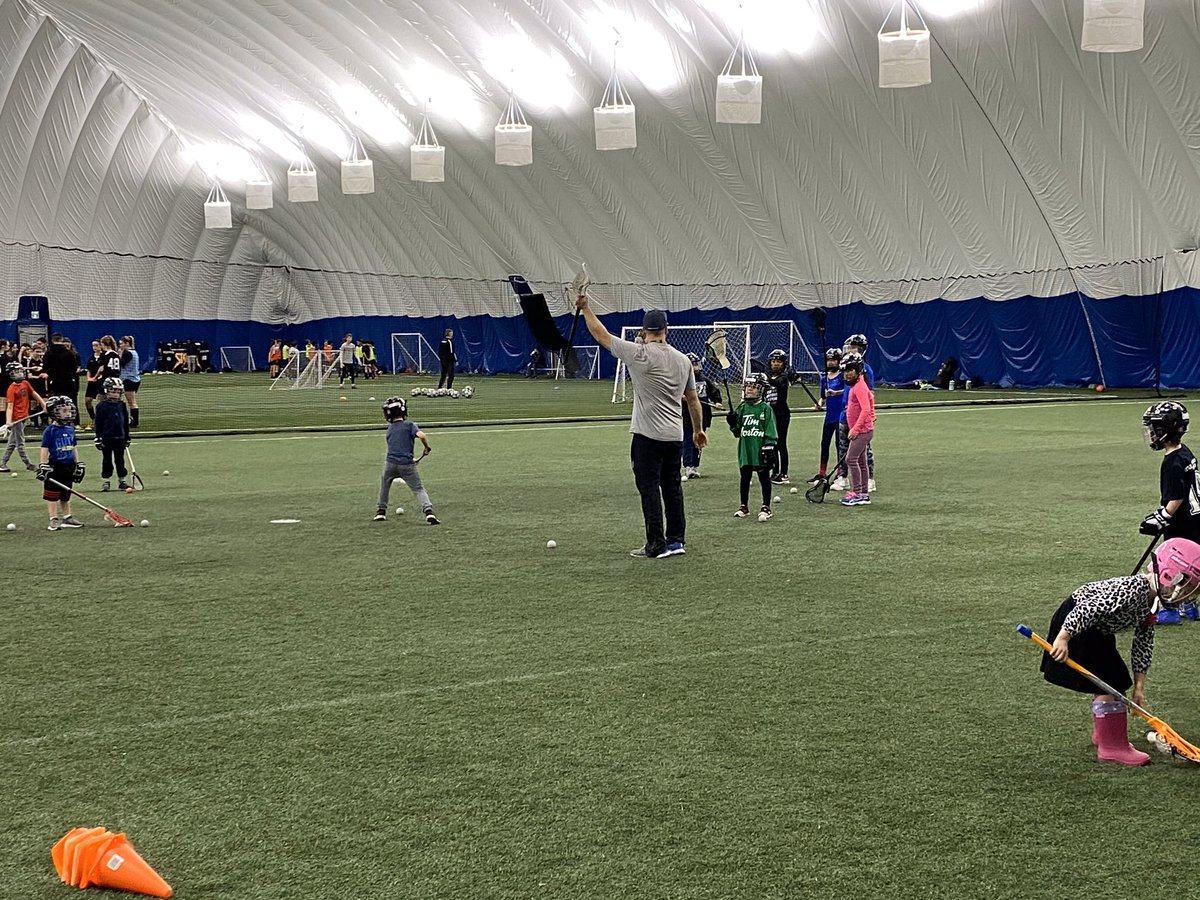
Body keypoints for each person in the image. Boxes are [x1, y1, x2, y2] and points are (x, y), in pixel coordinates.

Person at [1038, 538, 1200, 766]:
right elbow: (1086, 608)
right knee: (1109, 681)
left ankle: (1104, 734)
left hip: (1097, 630)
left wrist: (1139, 686)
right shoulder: (1133, 590)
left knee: (1114, 679)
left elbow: (1143, 643)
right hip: (1078, 625)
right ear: (1170, 576)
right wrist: (1064, 638)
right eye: (1189, 587)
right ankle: (1111, 746)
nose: (1190, 594)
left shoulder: (1151, 602)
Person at [577, 297, 705, 558]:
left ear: (645, 332)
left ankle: (655, 544)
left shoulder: (639, 354)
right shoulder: (683, 361)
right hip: (674, 435)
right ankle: (676, 540)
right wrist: (698, 430)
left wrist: (586, 308)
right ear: (666, 330)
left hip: (647, 436)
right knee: (672, 488)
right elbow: (693, 399)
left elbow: (601, 335)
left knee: (649, 488)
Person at [1138, 402, 1200, 544]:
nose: (1150, 433)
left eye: (1153, 429)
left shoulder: (1172, 463)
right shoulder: (1184, 452)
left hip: (1183, 527)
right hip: (1195, 519)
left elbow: (1177, 496)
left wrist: (1163, 516)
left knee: (1180, 563)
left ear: (1163, 430)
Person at [373, 396, 440, 525]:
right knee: (418, 489)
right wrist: (426, 447)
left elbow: (397, 447)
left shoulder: (390, 429)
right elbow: (421, 435)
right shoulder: (410, 425)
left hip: (390, 464)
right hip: (407, 465)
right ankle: (429, 512)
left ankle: (381, 512)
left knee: (385, 485)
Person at [725, 373, 778, 521]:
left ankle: (766, 506)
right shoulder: (742, 408)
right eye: (747, 386)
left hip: (760, 448)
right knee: (745, 477)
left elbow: (771, 430)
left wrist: (769, 446)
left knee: (764, 478)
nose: (749, 390)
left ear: (761, 389)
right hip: (745, 449)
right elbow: (737, 432)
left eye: (753, 387)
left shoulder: (765, 409)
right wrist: (732, 422)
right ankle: (744, 506)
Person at [833, 334, 875, 492]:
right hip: (846, 417)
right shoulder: (848, 376)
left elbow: (869, 397)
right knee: (843, 448)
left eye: (854, 348)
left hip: (860, 423)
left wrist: (871, 414)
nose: (850, 350)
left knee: (859, 455)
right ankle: (843, 477)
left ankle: (865, 484)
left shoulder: (864, 372)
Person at [36, 395, 85, 530]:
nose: (68, 413)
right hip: (54, 467)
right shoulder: (50, 431)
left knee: (66, 493)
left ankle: (67, 517)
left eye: (69, 410)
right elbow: (44, 449)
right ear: (54, 413)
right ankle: (53, 519)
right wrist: (43, 465)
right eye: (64, 411)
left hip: (68, 466)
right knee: (52, 495)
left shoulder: (70, 429)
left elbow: (74, 447)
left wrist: (78, 463)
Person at [839, 352, 874, 507]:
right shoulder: (858, 385)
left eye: (850, 371)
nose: (847, 374)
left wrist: (855, 429)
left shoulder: (859, 387)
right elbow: (870, 402)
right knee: (861, 461)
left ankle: (858, 492)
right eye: (845, 371)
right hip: (863, 429)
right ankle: (864, 494)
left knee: (851, 459)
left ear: (858, 370)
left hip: (861, 431)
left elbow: (866, 409)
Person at [682, 352, 722, 480]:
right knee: (688, 440)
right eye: (691, 365)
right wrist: (680, 396)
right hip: (687, 417)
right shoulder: (681, 381)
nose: (694, 368)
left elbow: (714, 392)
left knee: (699, 440)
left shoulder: (704, 380)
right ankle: (688, 466)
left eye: (695, 365)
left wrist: (717, 402)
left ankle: (695, 466)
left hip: (703, 416)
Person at [808, 348, 846, 484]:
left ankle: (840, 473)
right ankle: (821, 473)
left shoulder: (843, 376)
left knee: (839, 445)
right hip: (829, 416)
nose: (830, 363)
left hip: (840, 416)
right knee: (824, 444)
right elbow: (823, 397)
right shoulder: (825, 379)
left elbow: (847, 392)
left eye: (833, 360)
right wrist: (818, 404)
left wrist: (836, 393)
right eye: (829, 360)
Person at [1, 362, 44, 472]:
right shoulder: (11, 389)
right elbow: (9, 407)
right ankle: (28, 463)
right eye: (17, 372)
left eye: (21, 371)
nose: (20, 373)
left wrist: (44, 405)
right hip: (17, 419)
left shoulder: (25, 383)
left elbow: (34, 394)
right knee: (20, 443)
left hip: (24, 417)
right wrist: (8, 422)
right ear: (11, 374)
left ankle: (2, 463)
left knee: (12, 442)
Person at [764, 348, 799, 484]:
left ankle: (783, 473)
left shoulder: (783, 378)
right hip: (769, 414)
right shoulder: (768, 377)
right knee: (771, 444)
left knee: (781, 444)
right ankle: (774, 470)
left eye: (778, 361)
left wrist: (765, 381)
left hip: (781, 414)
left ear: (783, 363)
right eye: (773, 361)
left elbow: (778, 385)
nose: (776, 364)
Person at [93, 377, 131, 492]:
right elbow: (98, 423)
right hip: (106, 438)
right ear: (106, 391)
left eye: (117, 392)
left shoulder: (122, 405)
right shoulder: (101, 406)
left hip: (120, 437)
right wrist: (98, 438)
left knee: (120, 460)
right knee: (107, 460)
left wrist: (127, 437)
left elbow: (125, 423)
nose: (115, 394)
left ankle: (122, 481)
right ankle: (106, 481)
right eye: (112, 391)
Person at [119, 336, 141, 427]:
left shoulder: (128, 353)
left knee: (132, 402)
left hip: (129, 379)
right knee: (131, 401)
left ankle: (134, 421)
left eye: (121, 343)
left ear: (127, 343)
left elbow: (121, 363)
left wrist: (119, 354)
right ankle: (132, 420)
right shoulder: (134, 352)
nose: (120, 345)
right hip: (134, 378)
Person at [83, 340, 104, 424]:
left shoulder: (104, 357)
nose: (95, 347)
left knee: (101, 401)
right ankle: (93, 418)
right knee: (87, 400)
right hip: (92, 383)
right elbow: (89, 370)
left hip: (101, 382)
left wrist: (98, 377)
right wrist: (89, 378)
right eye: (93, 346)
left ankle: (101, 419)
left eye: (96, 345)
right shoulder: (91, 358)